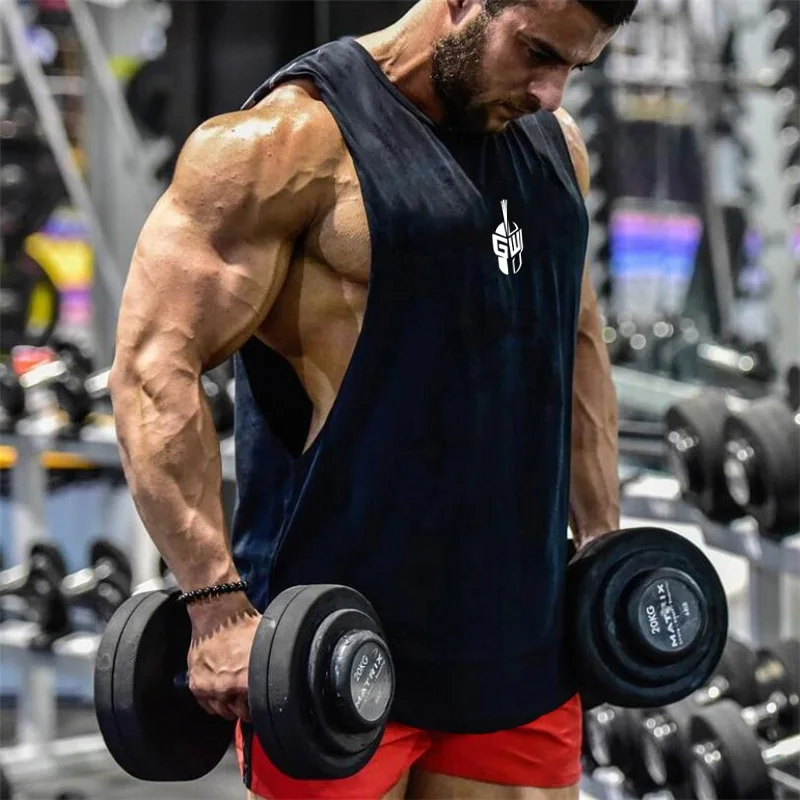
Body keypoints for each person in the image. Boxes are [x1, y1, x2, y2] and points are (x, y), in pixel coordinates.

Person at [109, 0, 636, 797]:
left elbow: (577, 344)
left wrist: (603, 552)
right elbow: (154, 367)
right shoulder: (286, 144)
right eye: (536, 52)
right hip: (332, 649)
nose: (551, 92)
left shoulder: (555, 147)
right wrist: (215, 605)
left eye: (573, 66)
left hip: (518, 642)